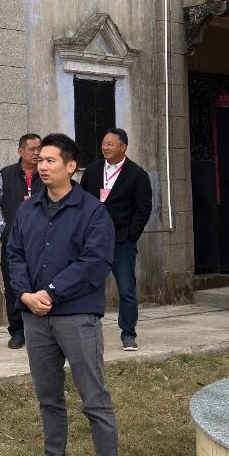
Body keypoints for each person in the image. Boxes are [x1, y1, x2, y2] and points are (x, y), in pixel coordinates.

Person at [7, 133, 124, 456]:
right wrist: (26, 294)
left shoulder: (92, 212)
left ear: (71, 166)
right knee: (48, 395)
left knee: (94, 398)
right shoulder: (29, 208)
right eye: (39, 160)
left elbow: (95, 262)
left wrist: (52, 292)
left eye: (50, 160)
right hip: (36, 317)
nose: (41, 166)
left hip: (77, 316)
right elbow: (14, 253)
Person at [79, 128, 152, 352]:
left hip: (121, 241)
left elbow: (143, 209)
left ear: (123, 147)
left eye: (110, 144)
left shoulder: (137, 174)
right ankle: (86, 330)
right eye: (104, 143)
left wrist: (130, 236)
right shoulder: (92, 170)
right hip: (94, 240)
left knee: (127, 289)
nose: (105, 147)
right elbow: (81, 200)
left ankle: (128, 333)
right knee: (87, 286)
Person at [0, 133, 42, 349]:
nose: (37, 153)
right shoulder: (6, 174)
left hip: (41, 245)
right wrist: (6, 231)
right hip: (13, 244)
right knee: (13, 286)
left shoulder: (46, 174)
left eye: (39, 148)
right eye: (32, 149)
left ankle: (37, 331)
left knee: (39, 284)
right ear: (20, 151)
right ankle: (17, 332)